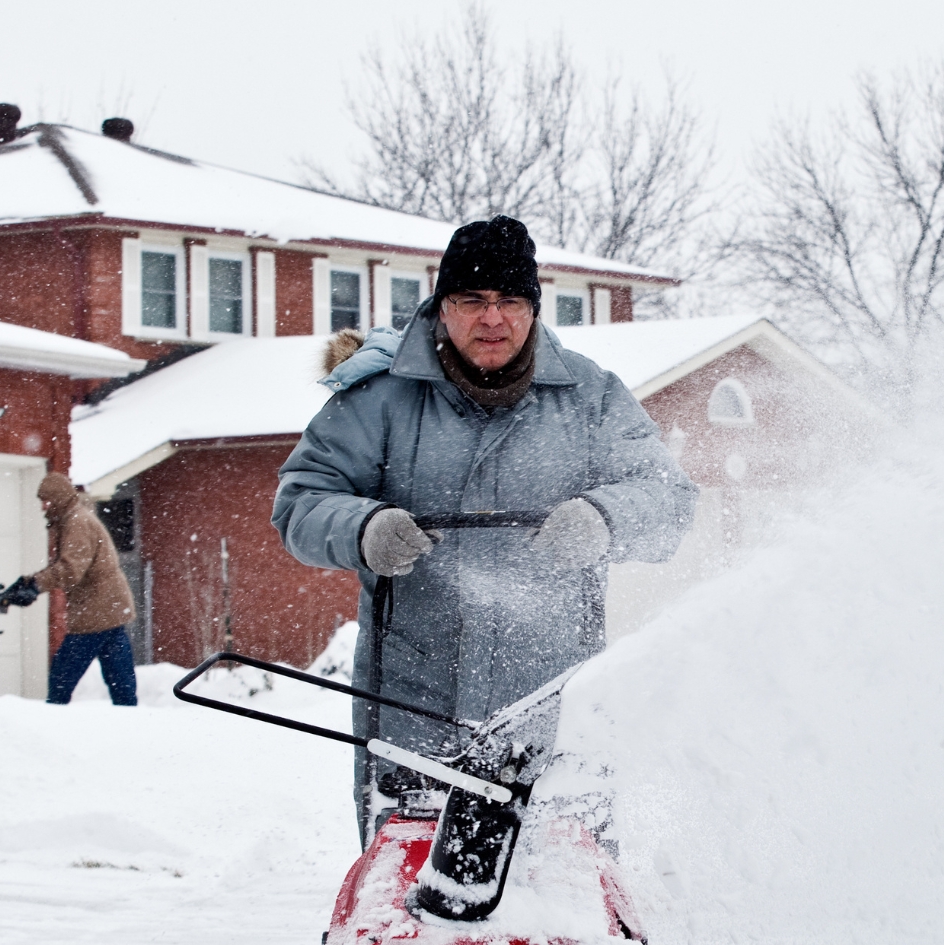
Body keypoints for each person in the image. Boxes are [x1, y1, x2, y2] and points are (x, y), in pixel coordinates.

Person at [272, 215, 698, 839]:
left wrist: (603, 518)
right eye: (473, 300)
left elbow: (668, 501)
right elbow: (302, 502)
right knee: (408, 909)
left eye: (510, 301)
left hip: (557, 716)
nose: (492, 319)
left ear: (533, 310)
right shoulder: (379, 400)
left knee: (563, 910)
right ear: (443, 308)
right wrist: (364, 528)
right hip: (412, 712)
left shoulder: (591, 396)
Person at [6, 473, 139, 706]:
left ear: (58, 499)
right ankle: (130, 719)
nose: (42, 508)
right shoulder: (75, 518)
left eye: (45, 501)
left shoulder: (77, 522)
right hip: (110, 608)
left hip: (95, 610)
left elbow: (70, 568)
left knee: (62, 678)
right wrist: (30, 582)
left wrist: (36, 585)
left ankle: (54, 721)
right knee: (120, 680)